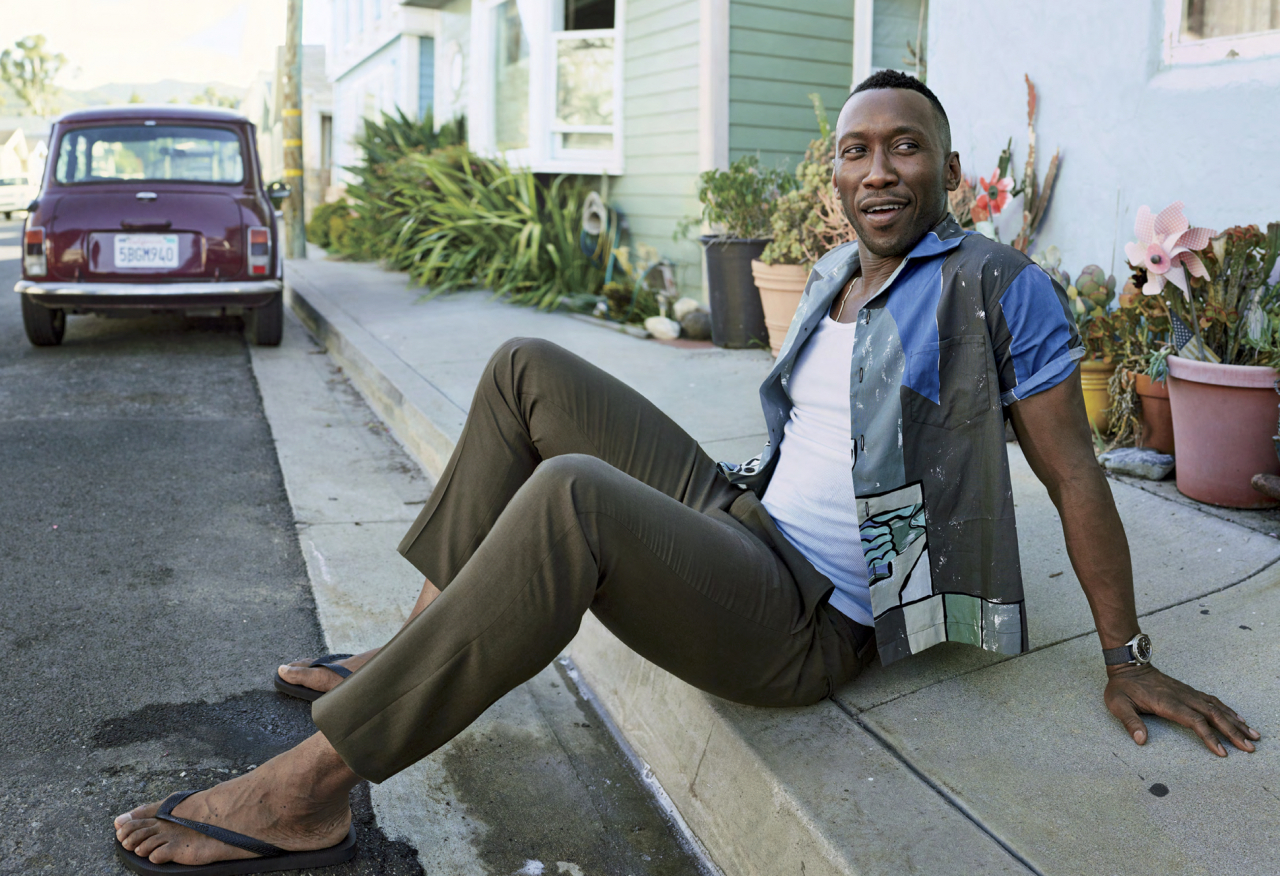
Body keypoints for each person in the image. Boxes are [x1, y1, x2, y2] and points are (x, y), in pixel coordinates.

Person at [113, 70, 1259, 873]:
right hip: (739, 515)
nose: (877, 169)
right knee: (525, 368)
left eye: (903, 146)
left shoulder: (995, 287)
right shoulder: (829, 273)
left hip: (807, 614)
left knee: (571, 502)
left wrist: (1126, 656)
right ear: (833, 179)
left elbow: (1071, 476)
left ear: (947, 168)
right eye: (854, 149)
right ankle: (409, 646)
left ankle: (312, 790)